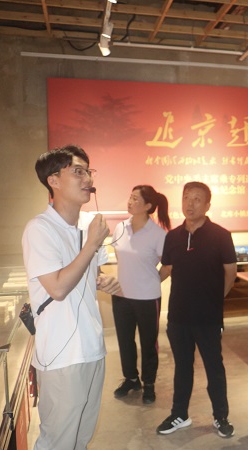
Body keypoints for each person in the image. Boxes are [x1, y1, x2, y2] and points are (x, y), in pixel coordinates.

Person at [22, 145, 121, 449]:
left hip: (92, 348)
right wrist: (91, 244)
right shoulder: (40, 229)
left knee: (81, 438)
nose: (87, 178)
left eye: (89, 172)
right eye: (78, 171)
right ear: (53, 180)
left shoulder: (87, 225)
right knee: (58, 441)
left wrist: (101, 281)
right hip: (62, 354)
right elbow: (58, 288)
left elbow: (84, 277)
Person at [156, 182, 237, 439]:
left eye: (197, 199)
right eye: (186, 198)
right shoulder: (173, 237)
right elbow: (166, 270)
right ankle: (179, 414)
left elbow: (230, 272)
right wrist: (139, 287)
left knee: (214, 368)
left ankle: (221, 416)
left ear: (208, 205)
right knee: (182, 367)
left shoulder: (221, 235)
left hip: (208, 317)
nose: (190, 204)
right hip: (178, 316)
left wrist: (215, 300)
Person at [111, 185, 171, 404]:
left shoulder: (158, 234)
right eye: (130, 196)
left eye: (136, 199)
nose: (130, 201)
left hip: (147, 297)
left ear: (148, 206)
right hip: (121, 295)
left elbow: (168, 266)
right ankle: (131, 379)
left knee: (148, 343)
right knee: (125, 341)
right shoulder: (120, 228)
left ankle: (149, 383)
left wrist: (152, 281)